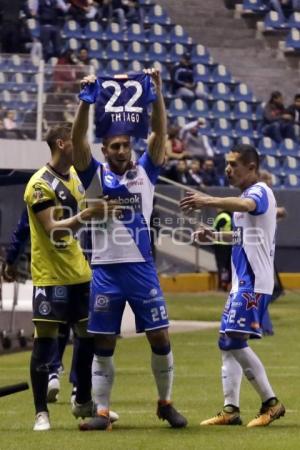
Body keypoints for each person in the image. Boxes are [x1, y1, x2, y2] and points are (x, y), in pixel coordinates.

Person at [71, 68, 187, 430]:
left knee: (160, 336)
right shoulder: (95, 175)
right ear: (104, 150)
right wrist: (84, 105)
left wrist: (158, 92)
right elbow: (76, 143)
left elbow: (160, 133)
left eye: (126, 146)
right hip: (105, 269)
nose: (122, 151)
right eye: (115, 147)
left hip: (141, 268)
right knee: (103, 341)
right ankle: (102, 413)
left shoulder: (145, 172)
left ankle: (165, 404)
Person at [24, 123, 121, 431]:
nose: (81, 146)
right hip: (50, 277)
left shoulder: (77, 178)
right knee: (45, 344)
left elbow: (94, 207)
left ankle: (82, 400)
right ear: (63, 143)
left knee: (89, 338)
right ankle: (42, 413)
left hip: (80, 272)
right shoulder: (39, 185)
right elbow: (53, 229)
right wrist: (86, 216)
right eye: (76, 141)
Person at [180, 143, 285, 427]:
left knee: (232, 341)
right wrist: (213, 235)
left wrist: (207, 200)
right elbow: (242, 239)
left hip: (254, 283)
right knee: (226, 345)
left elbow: (247, 206)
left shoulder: (259, 192)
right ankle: (231, 409)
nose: (227, 169)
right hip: (241, 283)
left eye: (234, 164)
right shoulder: (243, 197)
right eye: (227, 163)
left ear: (251, 167)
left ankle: (271, 402)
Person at [213, 210, 232, 291]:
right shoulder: (229, 217)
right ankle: (226, 284)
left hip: (221, 244)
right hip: (228, 244)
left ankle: (222, 284)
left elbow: (217, 230)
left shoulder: (223, 216)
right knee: (227, 266)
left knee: (222, 266)